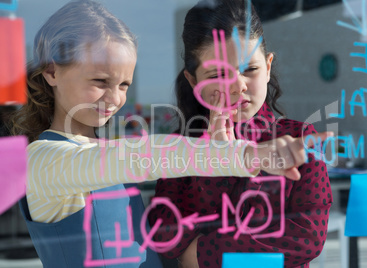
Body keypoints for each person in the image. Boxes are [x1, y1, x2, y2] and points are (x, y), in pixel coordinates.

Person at [8, 1, 330, 267]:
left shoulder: (100, 150)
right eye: (100, 81)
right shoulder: (43, 158)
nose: (115, 99)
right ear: (51, 71)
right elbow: (144, 158)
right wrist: (239, 156)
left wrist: (202, 252)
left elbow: (305, 237)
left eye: (123, 85)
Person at [148, 0, 333, 267]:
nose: (238, 86)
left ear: (268, 67)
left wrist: (201, 254)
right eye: (218, 74)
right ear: (194, 81)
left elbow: (307, 237)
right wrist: (214, 161)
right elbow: (164, 232)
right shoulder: (181, 146)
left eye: (250, 70)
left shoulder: (298, 138)